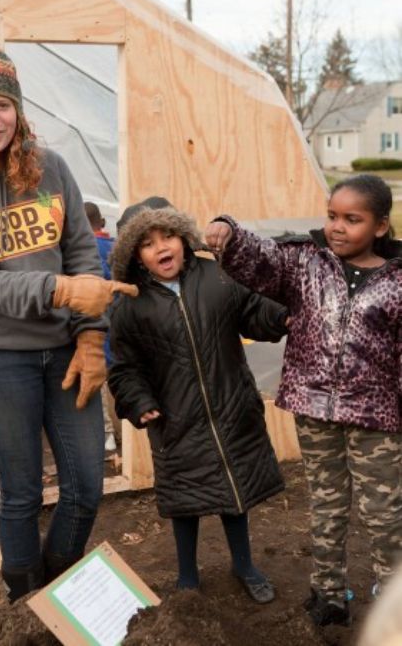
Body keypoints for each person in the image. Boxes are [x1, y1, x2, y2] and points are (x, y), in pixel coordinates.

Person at [0, 38, 137, 603]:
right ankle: (26, 606)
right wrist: (63, 289)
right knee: (19, 495)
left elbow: (83, 253)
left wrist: (92, 338)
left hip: (67, 353)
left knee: (87, 488)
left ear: (18, 108)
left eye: (3, 105)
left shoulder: (52, 169)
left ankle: (57, 587)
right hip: (1, 359)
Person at [205, 174, 402, 627]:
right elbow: (261, 260)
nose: (337, 227)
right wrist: (228, 230)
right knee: (327, 503)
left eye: (353, 219)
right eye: (332, 215)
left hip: (375, 416)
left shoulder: (396, 282)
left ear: (380, 226)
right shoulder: (304, 262)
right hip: (315, 410)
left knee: (384, 511)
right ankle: (330, 594)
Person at [108, 198, 289, 603]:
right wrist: (139, 402)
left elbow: (253, 309)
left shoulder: (218, 276)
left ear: (185, 239)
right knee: (184, 499)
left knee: (233, 492)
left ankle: (244, 565)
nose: (161, 247)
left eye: (168, 235)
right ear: (135, 255)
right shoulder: (129, 305)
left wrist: (281, 316)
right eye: (148, 243)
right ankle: (187, 576)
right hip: (176, 419)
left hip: (230, 408)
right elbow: (125, 368)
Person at [84, 200, 117, 451]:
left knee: (99, 384)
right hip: (123, 326)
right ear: (103, 223)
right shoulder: (117, 248)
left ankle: (106, 435)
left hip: (96, 328)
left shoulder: (83, 251)